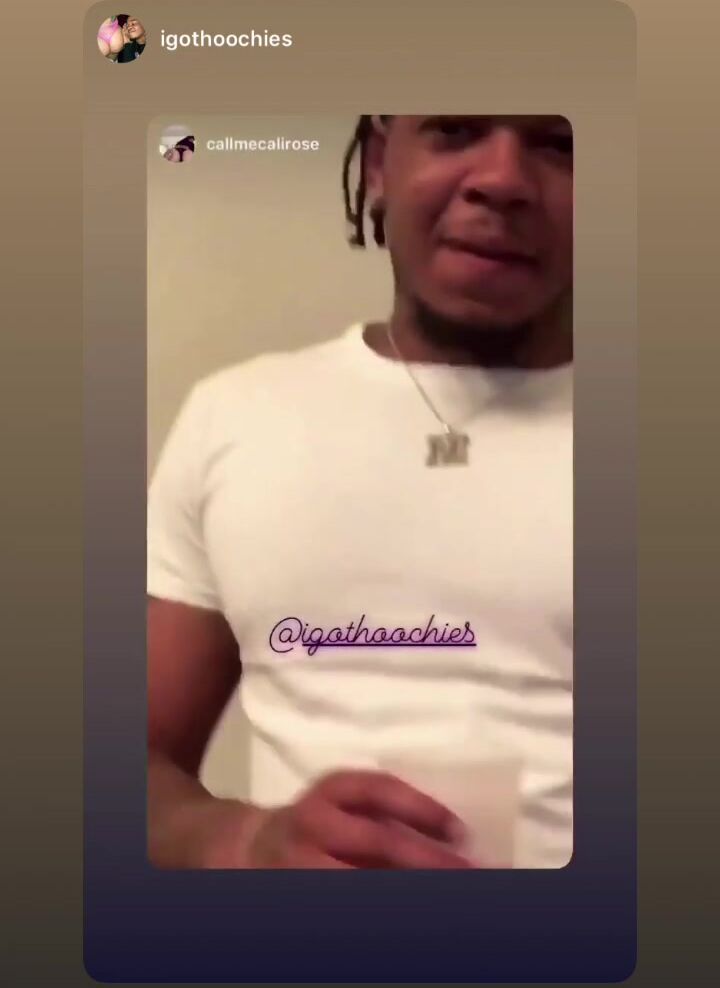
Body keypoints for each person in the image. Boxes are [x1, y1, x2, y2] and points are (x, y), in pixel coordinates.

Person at [147, 115, 574, 869]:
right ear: (379, 166)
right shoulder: (237, 416)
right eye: (456, 129)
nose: (503, 179)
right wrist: (243, 840)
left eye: (560, 143)